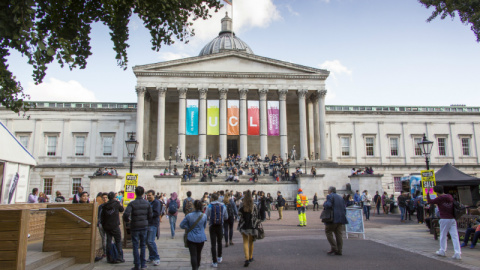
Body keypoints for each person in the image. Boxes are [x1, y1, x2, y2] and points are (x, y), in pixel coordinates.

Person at [427, 185, 461, 260]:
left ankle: (442, 250)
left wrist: (428, 193)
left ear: (437, 192)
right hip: (452, 218)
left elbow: (429, 201)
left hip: (444, 218)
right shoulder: (450, 196)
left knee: (443, 235)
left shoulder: (439, 198)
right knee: (455, 236)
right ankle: (457, 252)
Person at [123, 186, 153, 270]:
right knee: (143, 245)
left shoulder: (132, 203)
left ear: (135, 193)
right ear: (143, 193)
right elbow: (150, 215)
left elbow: (126, 214)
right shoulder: (147, 203)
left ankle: (137, 264)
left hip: (135, 226)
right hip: (144, 226)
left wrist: (128, 220)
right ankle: (143, 264)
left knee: (135, 246)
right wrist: (146, 221)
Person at [180, 200, 208, 270]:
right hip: (201, 237)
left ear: (194, 206)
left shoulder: (189, 215)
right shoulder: (204, 216)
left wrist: (188, 227)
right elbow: (204, 226)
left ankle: (194, 268)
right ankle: (197, 266)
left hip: (191, 237)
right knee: (199, 253)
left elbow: (181, 225)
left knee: (193, 255)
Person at [238, 190, 261, 267]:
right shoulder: (254, 205)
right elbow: (257, 215)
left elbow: (239, 214)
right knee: (251, 242)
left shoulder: (242, 205)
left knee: (245, 242)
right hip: (252, 225)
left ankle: (247, 258)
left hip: (244, 225)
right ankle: (250, 257)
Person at [323, 186, 348, 256]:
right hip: (340, 218)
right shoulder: (340, 197)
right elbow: (344, 207)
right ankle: (339, 250)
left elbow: (328, 205)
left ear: (330, 191)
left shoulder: (329, 196)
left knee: (328, 231)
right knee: (338, 234)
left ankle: (334, 247)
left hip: (332, 218)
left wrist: (324, 203)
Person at [101, 192, 125, 264]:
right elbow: (121, 210)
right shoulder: (116, 203)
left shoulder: (105, 206)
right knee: (118, 241)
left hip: (107, 226)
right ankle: (119, 257)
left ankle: (109, 257)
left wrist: (104, 225)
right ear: (114, 197)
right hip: (115, 225)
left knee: (109, 241)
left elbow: (102, 216)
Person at [206, 193, 228, 268]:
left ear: (212, 198)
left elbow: (206, 216)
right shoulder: (223, 206)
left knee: (213, 244)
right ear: (218, 198)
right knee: (219, 242)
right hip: (220, 226)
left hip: (212, 226)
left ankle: (214, 261)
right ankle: (219, 257)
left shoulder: (209, 206)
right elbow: (226, 217)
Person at [146, 190, 161, 266]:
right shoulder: (147, 202)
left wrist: (148, 214)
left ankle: (156, 257)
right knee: (147, 242)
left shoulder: (156, 203)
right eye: (147, 195)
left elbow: (157, 213)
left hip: (153, 223)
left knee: (150, 241)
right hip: (147, 223)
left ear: (153, 195)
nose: (148, 196)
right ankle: (151, 256)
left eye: (150, 195)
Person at [97, 193, 108, 259]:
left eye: (106, 197)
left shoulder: (109, 205)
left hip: (107, 224)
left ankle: (107, 252)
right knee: (104, 238)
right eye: (103, 197)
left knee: (107, 238)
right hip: (102, 224)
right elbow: (98, 215)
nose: (104, 199)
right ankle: (105, 252)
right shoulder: (100, 207)